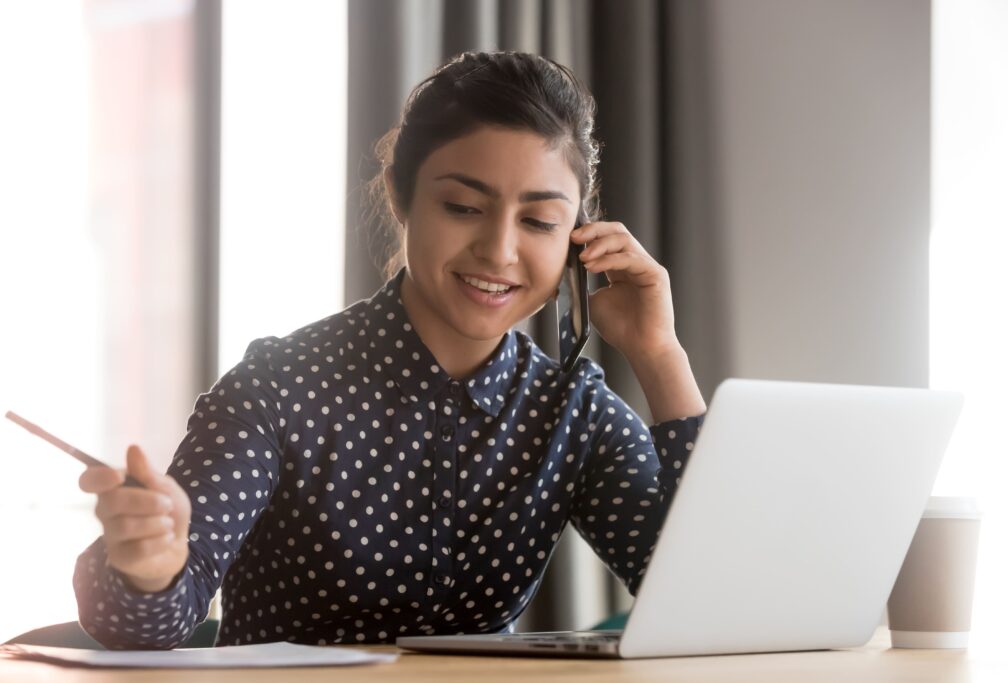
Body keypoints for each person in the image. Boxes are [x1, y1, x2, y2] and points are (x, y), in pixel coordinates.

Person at [73, 50, 707, 650]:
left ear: (578, 238)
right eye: (463, 206)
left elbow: (703, 599)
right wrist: (150, 567)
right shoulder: (278, 386)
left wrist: (659, 354)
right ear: (402, 199)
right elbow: (150, 625)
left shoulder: (573, 409)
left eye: (539, 222)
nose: (499, 250)